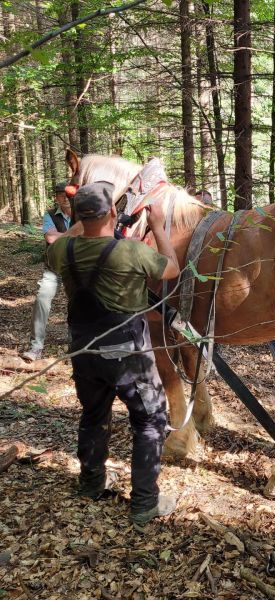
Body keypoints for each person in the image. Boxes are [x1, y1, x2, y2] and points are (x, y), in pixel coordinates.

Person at [46, 181, 181, 523]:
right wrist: (158, 226)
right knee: (149, 420)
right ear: (110, 213)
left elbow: (57, 243)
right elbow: (171, 269)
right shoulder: (131, 252)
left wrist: (82, 222)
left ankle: (91, 483)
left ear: (77, 216)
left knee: (93, 415)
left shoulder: (63, 250)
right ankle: (144, 502)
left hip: (83, 351)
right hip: (128, 356)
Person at [21, 182, 83, 362]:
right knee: (42, 299)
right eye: (60, 195)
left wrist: (63, 234)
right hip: (54, 268)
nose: (64, 198)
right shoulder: (49, 215)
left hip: (76, 269)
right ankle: (36, 347)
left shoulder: (81, 215)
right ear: (56, 197)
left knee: (80, 303)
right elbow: (50, 238)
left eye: (67, 195)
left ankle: (77, 347)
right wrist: (75, 232)